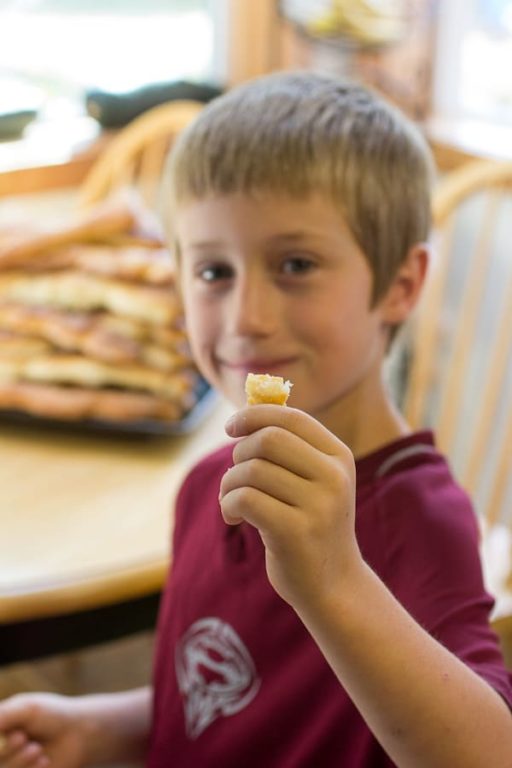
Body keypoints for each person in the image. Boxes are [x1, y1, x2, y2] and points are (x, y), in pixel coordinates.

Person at [0, 71, 511, 768]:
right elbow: (230, 691)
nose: (246, 319)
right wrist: (105, 726)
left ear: (401, 286)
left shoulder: (419, 518)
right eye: (214, 272)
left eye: (295, 264)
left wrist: (335, 580)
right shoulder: (207, 484)